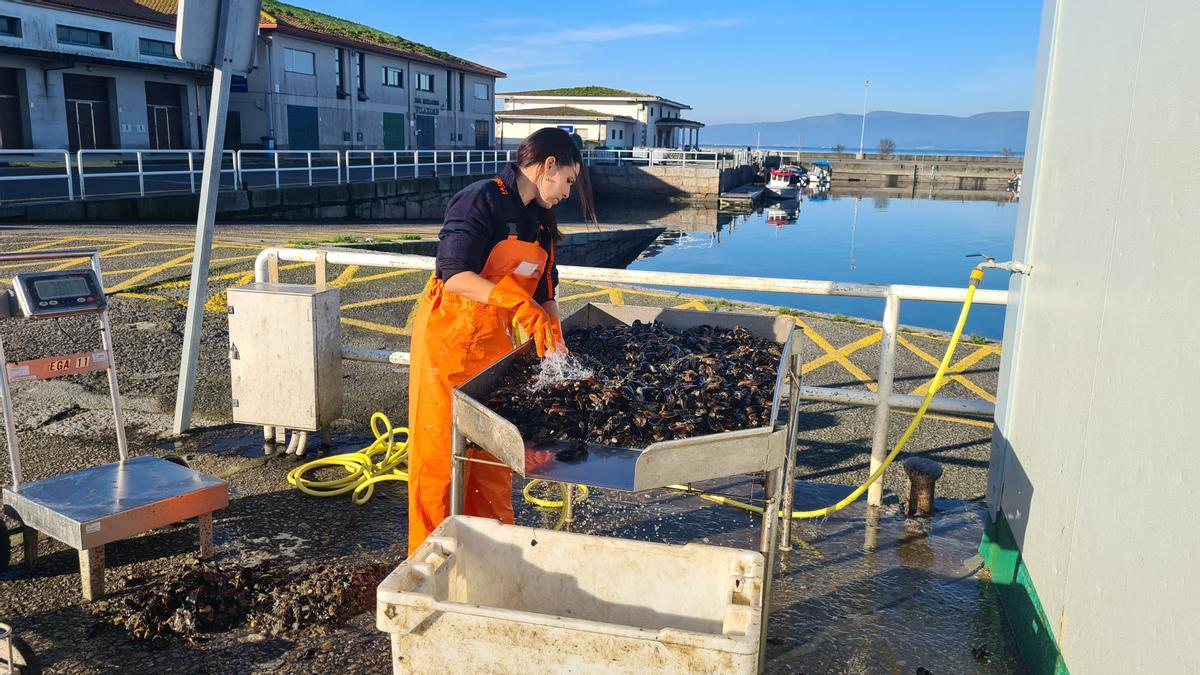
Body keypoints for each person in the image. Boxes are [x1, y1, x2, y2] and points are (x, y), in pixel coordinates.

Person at [406, 127, 595, 555]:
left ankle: (489, 554)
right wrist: (516, 304)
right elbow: (453, 275)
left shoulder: (541, 223)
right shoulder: (482, 198)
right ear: (548, 165)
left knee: (492, 458)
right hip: (447, 343)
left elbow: (546, 293)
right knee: (438, 460)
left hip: (493, 347)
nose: (568, 191)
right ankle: (429, 560)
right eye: (568, 179)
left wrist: (554, 343)